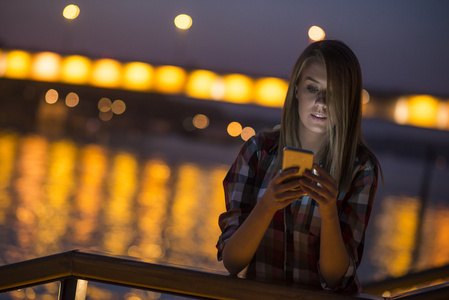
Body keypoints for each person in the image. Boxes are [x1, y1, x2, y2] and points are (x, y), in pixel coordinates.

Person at [216, 40, 380, 294]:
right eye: (312, 88)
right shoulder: (258, 152)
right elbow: (232, 262)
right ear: (296, 91)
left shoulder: (360, 168)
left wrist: (328, 212)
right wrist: (266, 206)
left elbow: (336, 277)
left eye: (335, 92)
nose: (322, 102)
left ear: (349, 99)